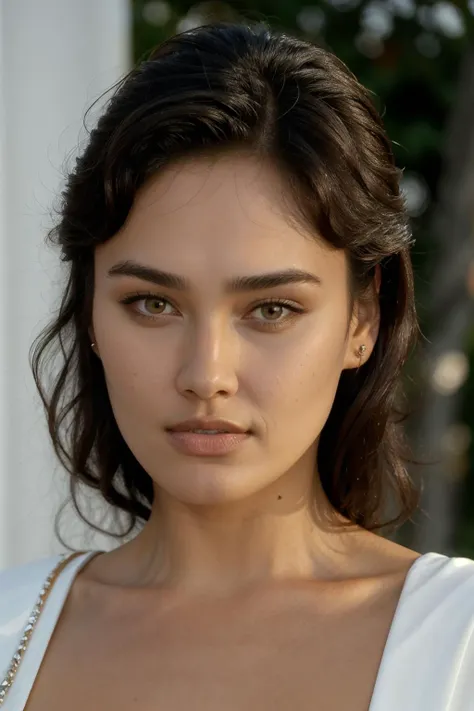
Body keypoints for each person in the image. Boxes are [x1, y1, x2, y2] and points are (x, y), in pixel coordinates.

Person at [1, 21, 473, 711]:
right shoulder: (10, 629)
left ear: (362, 321)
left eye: (272, 309)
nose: (206, 372)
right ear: (91, 312)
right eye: (153, 302)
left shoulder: (460, 642)